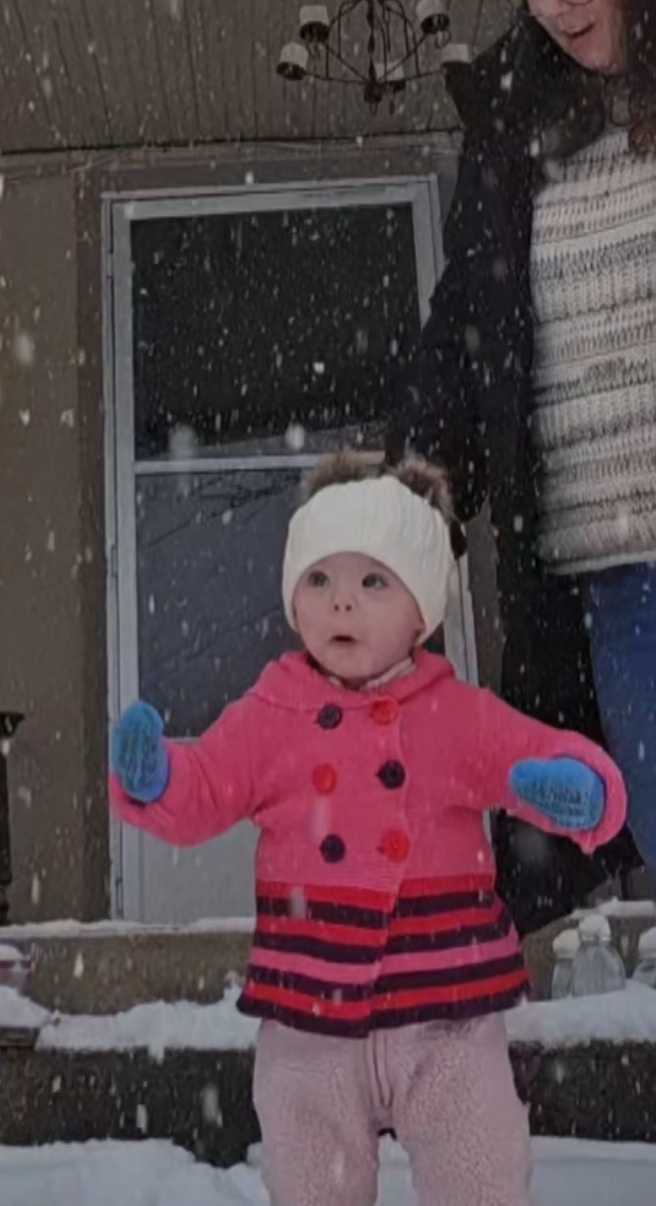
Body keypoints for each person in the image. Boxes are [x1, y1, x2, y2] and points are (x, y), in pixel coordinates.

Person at [110, 453, 626, 1206]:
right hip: (311, 1015)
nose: (340, 605)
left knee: (479, 1169)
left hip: (444, 1009)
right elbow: (208, 787)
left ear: (423, 610)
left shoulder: (455, 714)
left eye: (371, 582)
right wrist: (157, 777)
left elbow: (535, 755)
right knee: (310, 1175)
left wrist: (580, 791)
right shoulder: (272, 712)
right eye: (319, 581)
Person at [388, 0, 656, 933]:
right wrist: (402, 511)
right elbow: (466, 334)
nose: (563, 7)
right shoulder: (511, 113)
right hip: (608, 583)